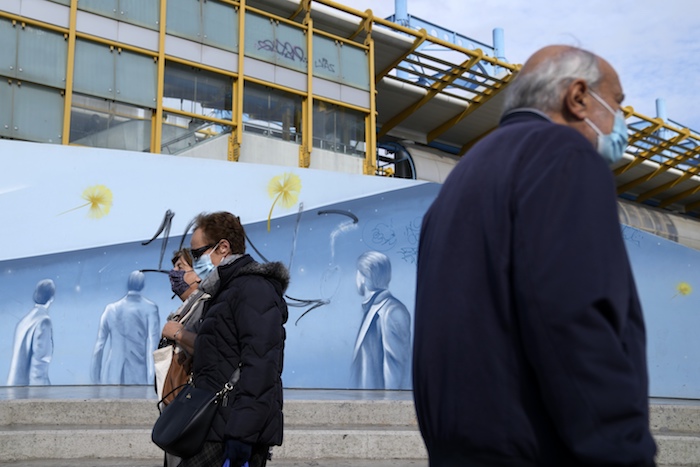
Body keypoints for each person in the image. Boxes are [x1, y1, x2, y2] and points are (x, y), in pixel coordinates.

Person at [413, 45, 657, 466]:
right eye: (618, 103)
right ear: (578, 97)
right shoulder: (564, 156)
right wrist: (624, 452)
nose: (622, 119)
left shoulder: (462, 180)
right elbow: (575, 320)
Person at [180, 211, 289, 467]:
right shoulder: (227, 290)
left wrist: (241, 433)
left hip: (232, 431)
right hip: (215, 425)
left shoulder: (253, 289)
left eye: (197, 253)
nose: (195, 261)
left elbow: (261, 365)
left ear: (223, 247)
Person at [158, 248, 209, 467]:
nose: (174, 273)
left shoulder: (205, 303)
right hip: (177, 399)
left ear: (198, 274)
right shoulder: (186, 307)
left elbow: (208, 348)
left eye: (181, 268)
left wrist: (177, 333)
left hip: (188, 400)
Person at [351, 250, 411, 390]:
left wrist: (388, 407)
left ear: (365, 277)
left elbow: (396, 368)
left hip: (379, 405)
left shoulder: (392, 311)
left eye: (358, 272)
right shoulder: (372, 308)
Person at [90, 270, 160, 385]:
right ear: (142, 285)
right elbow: (153, 345)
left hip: (112, 374)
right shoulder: (150, 308)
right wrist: (153, 378)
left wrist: (95, 378)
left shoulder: (111, 309)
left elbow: (99, 346)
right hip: (137, 375)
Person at [7, 279, 56, 386]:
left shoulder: (24, 321)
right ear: (51, 298)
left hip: (15, 387)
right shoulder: (44, 321)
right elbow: (39, 364)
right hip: (29, 390)